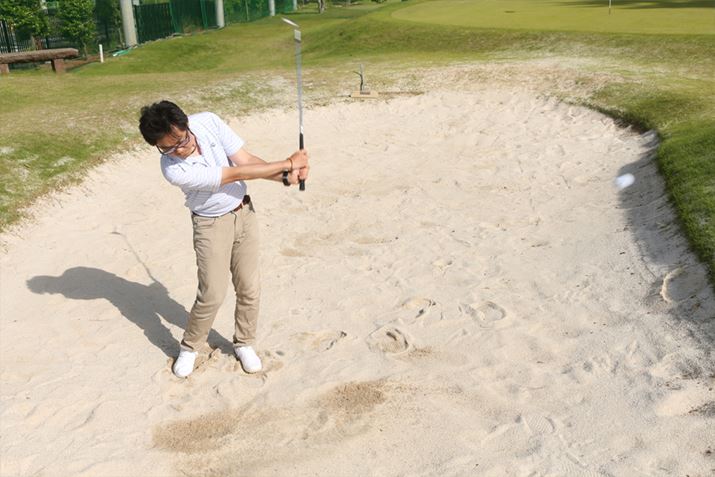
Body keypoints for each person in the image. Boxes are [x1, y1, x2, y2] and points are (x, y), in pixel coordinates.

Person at [138, 100, 309, 378]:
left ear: (186, 124)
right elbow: (236, 174)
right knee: (212, 294)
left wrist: (286, 176)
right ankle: (190, 347)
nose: (178, 150)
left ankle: (244, 343)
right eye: (167, 148)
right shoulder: (173, 169)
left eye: (181, 140)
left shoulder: (208, 121)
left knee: (249, 286)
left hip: (244, 213)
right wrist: (289, 163)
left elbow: (246, 161)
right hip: (210, 225)